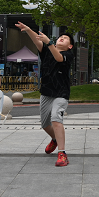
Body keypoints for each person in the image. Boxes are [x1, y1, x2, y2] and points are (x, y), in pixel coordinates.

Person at [15, 22, 74, 167]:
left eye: (65, 38)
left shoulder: (68, 54)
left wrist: (50, 43)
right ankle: (55, 139)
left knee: (56, 118)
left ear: (70, 46)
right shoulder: (46, 50)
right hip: (46, 92)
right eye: (61, 36)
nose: (62, 38)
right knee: (44, 124)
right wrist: (28, 29)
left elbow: (59, 58)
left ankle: (62, 153)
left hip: (61, 93)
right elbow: (37, 40)